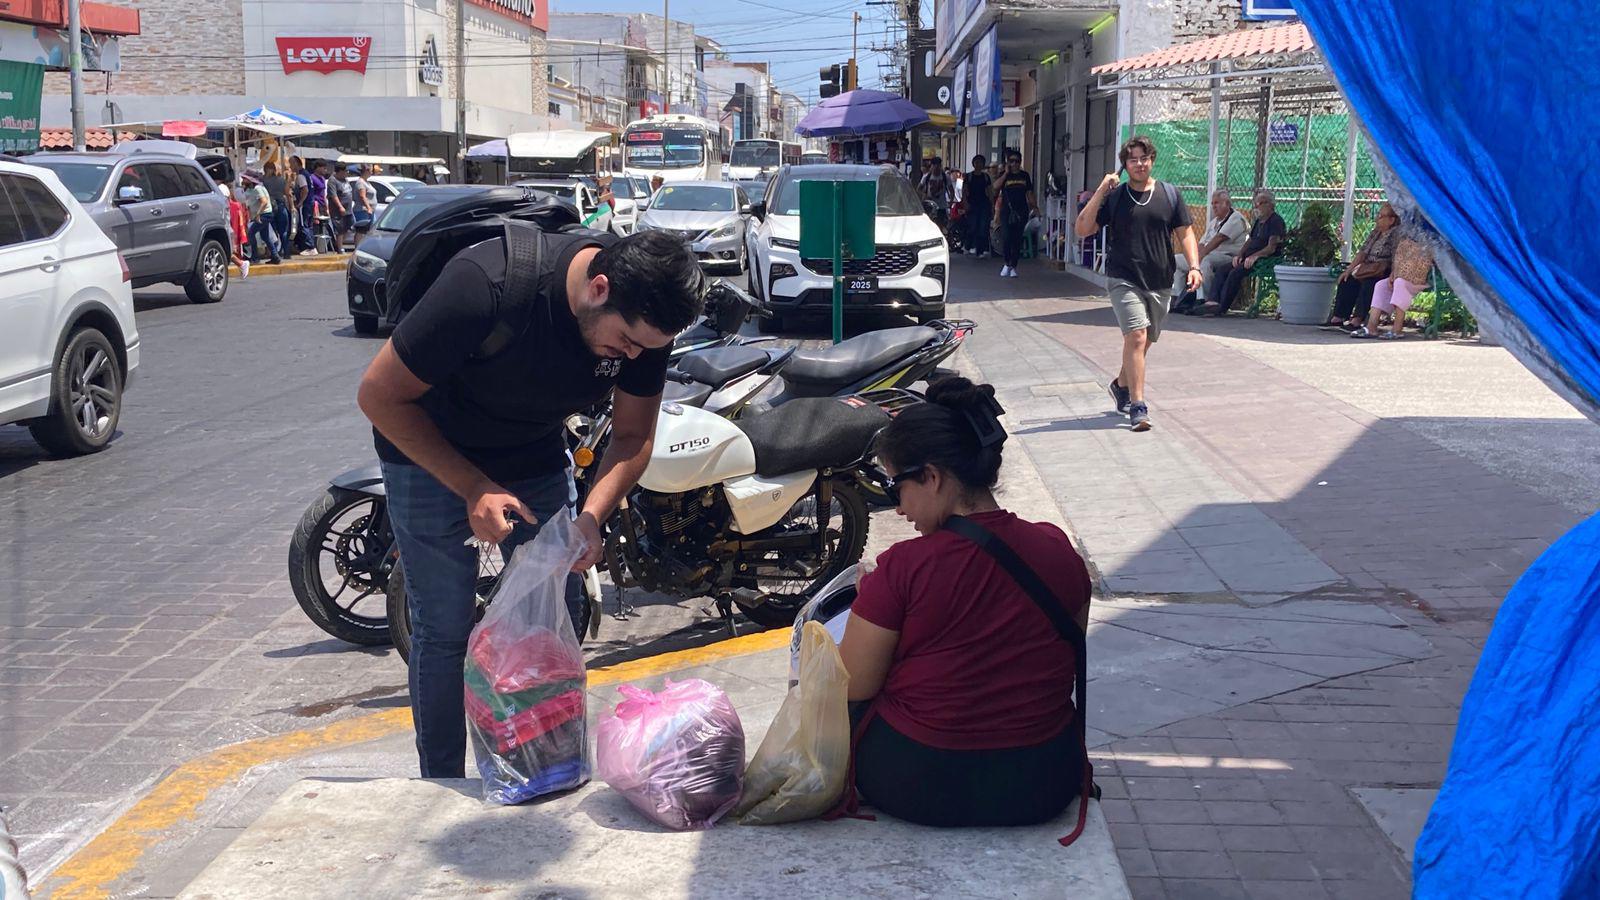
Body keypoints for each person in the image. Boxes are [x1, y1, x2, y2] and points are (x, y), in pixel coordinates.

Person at [356, 229, 707, 778]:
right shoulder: (485, 285)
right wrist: (473, 487)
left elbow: (634, 436)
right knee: (444, 626)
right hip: (428, 451)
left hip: (533, 453)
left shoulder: (643, 325)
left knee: (556, 612)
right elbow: (378, 396)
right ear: (598, 288)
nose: (633, 356)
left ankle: (543, 770)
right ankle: (442, 781)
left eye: (646, 349)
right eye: (626, 342)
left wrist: (591, 517)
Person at [839, 377, 1092, 827]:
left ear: (932, 477)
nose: (899, 509)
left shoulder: (902, 567)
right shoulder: (1057, 550)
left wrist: (871, 604)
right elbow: (1064, 656)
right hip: (1043, 780)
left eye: (897, 488)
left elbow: (852, 686)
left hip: (917, 781)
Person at [1074, 135, 1198, 433]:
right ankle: (1138, 406)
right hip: (1123, 278)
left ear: (1152, 160)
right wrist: (1102, 189)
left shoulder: (1170, 194)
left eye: (1144, 158)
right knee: (1137, 337)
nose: (1139, 164)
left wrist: (1194, 266)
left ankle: (1121, 385)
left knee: (1144, 342)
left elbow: (1185, 233)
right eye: (1133, 160)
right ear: (1125, 165)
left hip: (1160, 280)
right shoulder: (1116, 197)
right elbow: (1082, 229)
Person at [1201, 189, 1286, 317]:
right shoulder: (1259, 221)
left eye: (1260, 204)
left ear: (1269, 204)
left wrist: (1255, 256)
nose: (1256, 207)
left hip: (1263, 258)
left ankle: (1222, 307)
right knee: (1223, 270)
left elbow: (1271, 247)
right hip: (1248, 257)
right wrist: (1240, 254)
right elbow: (1249, 240)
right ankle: (1212, 302)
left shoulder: (1276, 221)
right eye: (1255, 204)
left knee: (1235, 273)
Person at [1171, 190, 1247, 313]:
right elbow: (1202, 243)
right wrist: (1195, 258)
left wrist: (1200, 257)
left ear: (1227, 204)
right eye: (1212, 203)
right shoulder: (1214, 222)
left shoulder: (1236, 218)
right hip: (1209, 254)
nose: (1214, 206)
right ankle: (1179, 299)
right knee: (1176, 260)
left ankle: (1204, 301)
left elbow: (1219, 239)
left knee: (1205, 261)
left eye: (1217, 203)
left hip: (1229, 257)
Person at [1331, 203, 1401, 328]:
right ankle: (1338, 317)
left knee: (1369, 283)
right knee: (1347, 279)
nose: (1377, 218)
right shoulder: (1376, 232)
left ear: (1391, 220)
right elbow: (1363, 252)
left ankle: (1357, 320)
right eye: (1378, 215)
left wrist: (1393, 274)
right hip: (1368, 268)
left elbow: (1397, 255)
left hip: (1383, 270)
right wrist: (1349, 270)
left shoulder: (1396, 234)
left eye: (1381, 216)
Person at [1354, 231, 1433, 339]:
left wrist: (1399, 277)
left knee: (1400, 283)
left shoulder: (1431, 242)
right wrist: (1393, 274)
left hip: (1418, 279)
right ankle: (1371, 327)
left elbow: (1422, 266)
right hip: (1400, 276)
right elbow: (1398, 261)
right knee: (1381, 285)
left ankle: (1397, 330)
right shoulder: (1405, 239)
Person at [992, 150, 1039, 278]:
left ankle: (1013, 265)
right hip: (1007, 210)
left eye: (1017, 161)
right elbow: (995, 187)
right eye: (1011, 161)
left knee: (1017, 239)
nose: (1014, 164)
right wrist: (1006, 173)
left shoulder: (1024, 176)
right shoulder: (1004, 175)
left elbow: (1029, 193)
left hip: (1021, 210)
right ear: (1008, 162)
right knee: (1006, 236)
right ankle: (1006, 262)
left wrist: (1035, 207)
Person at [241, 172, 282, 265]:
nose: (243, 181)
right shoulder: (254, 189)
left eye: (245, 179)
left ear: (250, 180)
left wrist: (258, 214)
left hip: (264, 215)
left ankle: (255, 257)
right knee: (265, 236)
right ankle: (275, 257)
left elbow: (264, 202)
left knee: (251, 233)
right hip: (265, 214)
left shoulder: (257, 188)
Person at [262, 161, 291, 260]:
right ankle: (286, 253)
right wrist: (291, 207)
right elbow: (287, 193)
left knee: (272, 232)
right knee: (284, 231)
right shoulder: (281, 180)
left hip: (270, 208)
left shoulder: (264, 181)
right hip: (281, 206)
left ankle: (274, 254)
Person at [964, 155, 991, 258]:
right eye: (976, 162)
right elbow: (964, 190)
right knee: (973, 226)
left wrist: (992, 204)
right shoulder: (969, 176)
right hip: (972, 204)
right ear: (973, 164)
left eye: (980, 162)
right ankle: (968, 245)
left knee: (983, 227)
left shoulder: (986, 177)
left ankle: (980, 250)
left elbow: (989, 191)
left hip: (984, 204)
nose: (978, 164)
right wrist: (965, 203)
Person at [290, 157, 315, 256]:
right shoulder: (306, 173)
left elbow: (305, 190)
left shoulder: (301, 175)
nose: (290, 166)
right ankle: (310, 246)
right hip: (310, 202)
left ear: (296, 164)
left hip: (305, 204)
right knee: (308, 225)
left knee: (304, 225)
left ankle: (310, 247)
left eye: (291, 164)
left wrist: (300, 202)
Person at [919, 157, 953, 230]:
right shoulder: (926, 177)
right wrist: (924, 196)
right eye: (934, 165)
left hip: (941, 206)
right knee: (929, 224)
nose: (936, 168)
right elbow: (919, 189)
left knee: (940, 225)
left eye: (938, 165)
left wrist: (951, 202)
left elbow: (951, 190)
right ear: (931, 166)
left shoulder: (945, 177)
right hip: (929, 206)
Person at [329, 165, 354, 254]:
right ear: (340, 171)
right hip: (338, 210)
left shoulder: (345, 180)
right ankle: (340, 248)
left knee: (350, 226)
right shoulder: (332, 180)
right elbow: (333, 195)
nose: (347, 173)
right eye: (346, 171)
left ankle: (340, 243)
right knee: (340, 229)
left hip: (348, 209)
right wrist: (340, 207)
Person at [353, 165, 378, 247]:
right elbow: (362, 196)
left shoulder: (366, 182)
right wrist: (368, 207)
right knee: (361, 230)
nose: (372, 172)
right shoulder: (361, 182)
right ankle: (358, 247)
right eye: (371, 170)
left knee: (372, 229)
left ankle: (367, 247)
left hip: (370, 211)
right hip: (362, 210)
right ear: (366, 170)